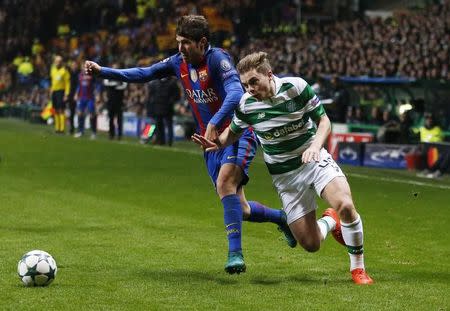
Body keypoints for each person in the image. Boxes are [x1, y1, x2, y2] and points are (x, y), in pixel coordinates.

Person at [84, 15, 295, 274]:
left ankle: (235, 255)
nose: (181, 48)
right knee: (241, 208)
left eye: (186, 43)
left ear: (202, 42)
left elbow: (236, 93)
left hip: (236, 132)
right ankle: (281, 218)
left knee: (224, 183)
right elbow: (144, 73)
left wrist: (216, 122)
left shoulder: (218, 60)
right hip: (208, 141)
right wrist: (103, 71)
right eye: (178, 42)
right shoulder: (177, 63)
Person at [192, 52, 374, 285]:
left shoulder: (296, 87)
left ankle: (358, 269)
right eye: (245, 84)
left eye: (254, 81)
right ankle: (329, 222)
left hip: (314, 161)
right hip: (286, 177)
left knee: (346, 205)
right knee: (311, 244)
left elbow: (324, 122)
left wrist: (316, 147)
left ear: (269, 74)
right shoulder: (246, 106)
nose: (249, 88)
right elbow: (231, 135)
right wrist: (214, 144)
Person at [147, 77, 180, 146]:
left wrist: (171, 101)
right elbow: (151, 95)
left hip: (168, 108)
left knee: (168, 125)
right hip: (158, 107)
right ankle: (160, 141)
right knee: (159, 125)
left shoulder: (172, 83)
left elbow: (177, 95)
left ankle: (169, 142)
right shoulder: (156, 83)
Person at [103, 63, 128, 140]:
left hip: (119, 102)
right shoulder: (109, 76)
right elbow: (106, 82)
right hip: (110, 101)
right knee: (111, 119)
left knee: (119, 119)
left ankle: (119, 135)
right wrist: (116, 85)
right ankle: (111, 134)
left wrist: (113, 86)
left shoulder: (122, 76)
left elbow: (124, 85)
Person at [74, 64, 98, 139]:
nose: (84, 68)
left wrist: (97, 93)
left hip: (90, 97)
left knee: (92, 114)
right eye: (83, 67)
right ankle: (80, 131)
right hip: (82, 97)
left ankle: (93, 132)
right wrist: (76, 94)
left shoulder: (92, 75)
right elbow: (79, 85)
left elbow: (97, 85)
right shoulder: (80, 75)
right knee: (80, 114)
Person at [49, 55, 70, 133]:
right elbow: (52, 81)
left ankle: (62, 129)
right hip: (54, 91)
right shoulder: (53, 70)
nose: (57, 63)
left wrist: (66, 94)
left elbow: (67, 83)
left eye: (59, 61)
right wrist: (51, 90)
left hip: (61, 92)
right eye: (56, 61)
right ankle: (57, 128)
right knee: (55, 110)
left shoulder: (64, 71)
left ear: (61, 62)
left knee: (61, 109)